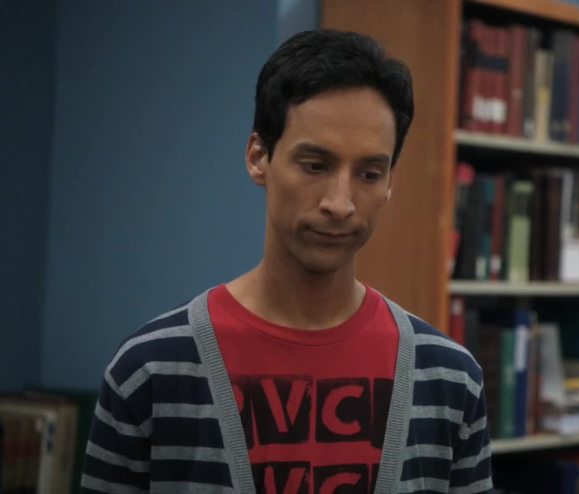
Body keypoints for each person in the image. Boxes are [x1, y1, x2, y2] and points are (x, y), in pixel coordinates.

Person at [81, 29, 492, 494]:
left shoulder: (449, 378)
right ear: (258, 157)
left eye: (369, 173)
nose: (340, 203)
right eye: (315, 165)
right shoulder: (151, 369)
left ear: (390, 183)